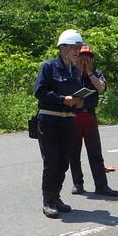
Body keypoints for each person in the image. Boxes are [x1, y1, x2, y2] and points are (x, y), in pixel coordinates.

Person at [34, 29, 85, 218]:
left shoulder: (76, 71)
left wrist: (79, 103)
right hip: (49, 120)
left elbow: (77, 96)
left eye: (79, 48)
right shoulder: (49, 67)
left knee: (63, 162)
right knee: (51, 162)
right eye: (73, 47)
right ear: (62, 48)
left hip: (68, 121)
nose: (77, 51)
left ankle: (56, 197)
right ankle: (47, 201)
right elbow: (39, 92)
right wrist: (63, 99)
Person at [69, 44, 118, 197]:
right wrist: (78, 72)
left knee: (95, 153)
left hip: (89, 117)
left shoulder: (96, 73)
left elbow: (102, 88)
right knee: (74, 153)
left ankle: (101, 185)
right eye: (81, 57)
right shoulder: (71, 73)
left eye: (88, 58)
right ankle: (78, 183)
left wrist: (89, 73)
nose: (84, 61)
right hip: (74, 117)